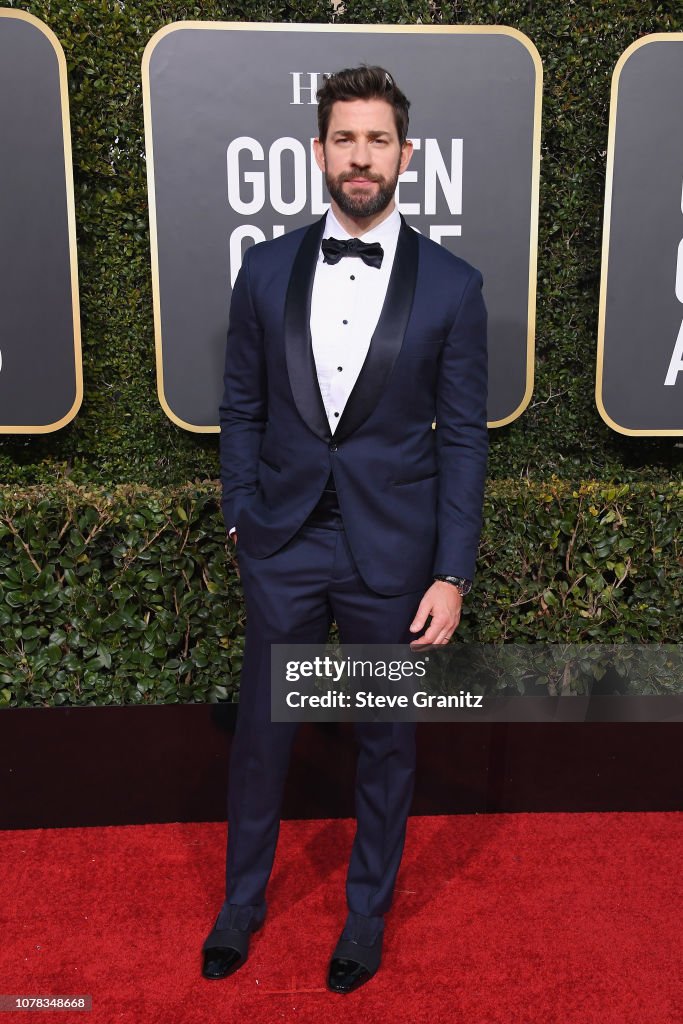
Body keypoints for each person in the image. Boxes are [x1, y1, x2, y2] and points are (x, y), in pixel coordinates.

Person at [202, 65, 488, 994]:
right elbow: (239, 406)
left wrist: (450, 571)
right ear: (317, 151)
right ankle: (243, 904)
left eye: (376, 140)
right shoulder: (266, 268)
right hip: (282, 543)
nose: (359, 157)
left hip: (389, 559)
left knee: (384, 740)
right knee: (262, 737)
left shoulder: (451, 287)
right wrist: (241, 515)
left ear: (405, 154)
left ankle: (364, 917)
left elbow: (462, 442)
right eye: (344, 138)